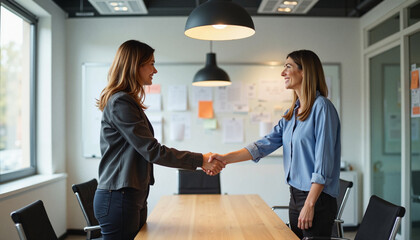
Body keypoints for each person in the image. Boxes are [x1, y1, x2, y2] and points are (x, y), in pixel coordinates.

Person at [93, 39, 225, 240]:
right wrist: (201, 159)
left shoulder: (126, 101)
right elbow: (152, 151)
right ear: (135, 66)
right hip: (119, 197)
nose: (155, 70)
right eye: (151, 63)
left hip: (129, 194)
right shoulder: (121, 102)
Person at [209, 50, 341, 239]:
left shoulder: (322, 108)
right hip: (295, 196)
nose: (282, 73)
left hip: (315, 199)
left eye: (288, 66)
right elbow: (264, 145)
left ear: (305, 71)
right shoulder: (292, 113)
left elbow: (323, 162)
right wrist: (225, 158)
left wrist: (310, 204)